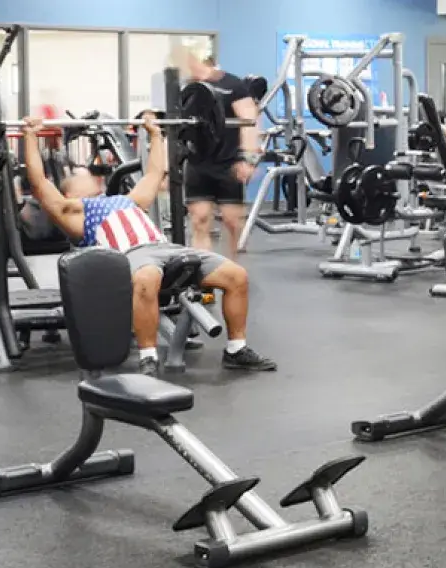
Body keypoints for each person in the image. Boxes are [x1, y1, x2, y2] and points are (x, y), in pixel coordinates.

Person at [19, 114, 277, 376]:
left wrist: (155, 134)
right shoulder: (72, 213)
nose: (89, 175)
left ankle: (236, 349)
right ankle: (148, 358)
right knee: (147, 277)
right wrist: (30, 137)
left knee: (236, 275)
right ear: (70, 192)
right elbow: (40, 184)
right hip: (129, 256)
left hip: (166, 248)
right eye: (78, 174)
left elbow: (155, 173)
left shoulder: (128, 200)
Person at [173, 44, 262, 259]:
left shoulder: (232, 85)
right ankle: (204, 277)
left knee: (232, 222)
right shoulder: (188, 89)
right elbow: (178, 127)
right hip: (198, 163)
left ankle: (231, 271)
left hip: (229, 163)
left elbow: (250, 120)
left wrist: (248, 159)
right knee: (199, 220)